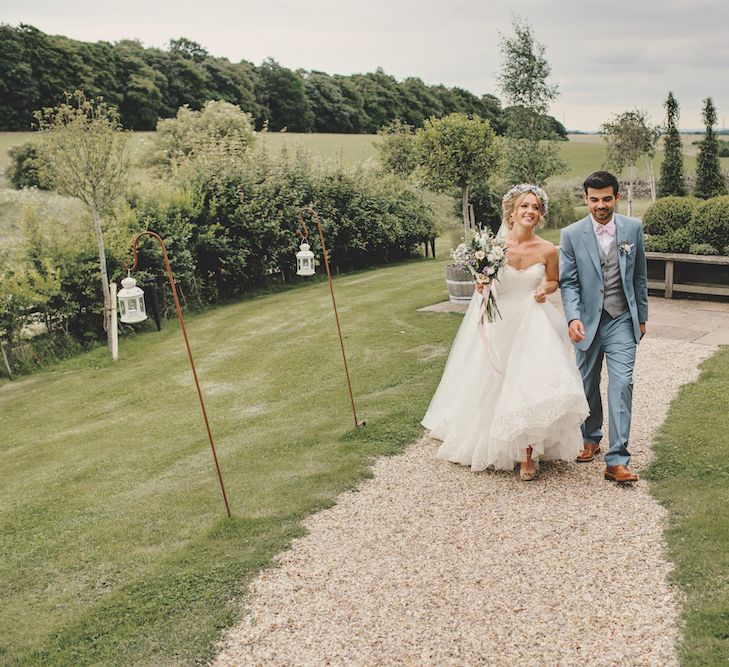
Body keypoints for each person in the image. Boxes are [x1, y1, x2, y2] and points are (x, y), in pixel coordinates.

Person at [422, 184, 589, 481]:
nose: (530, 211)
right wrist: (481, 284)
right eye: (525, 206)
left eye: (536, 207)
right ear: (512, 211)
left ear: (541, 215)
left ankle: (528, 454)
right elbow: (482, 280)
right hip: (499, 322)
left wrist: (543, 290)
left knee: (531, 384)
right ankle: (490, 440)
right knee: (492, 385)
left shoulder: (548, 249)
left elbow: (553, 281)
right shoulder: (491, 247)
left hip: (533, 321)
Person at [559, 171, 648, 484]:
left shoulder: (632, 229)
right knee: (587, 383)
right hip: (587, 321)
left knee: (622, 383)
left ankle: (617, 459)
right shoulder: (570, 234)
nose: (600, 205)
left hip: (622, 318)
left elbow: (639, 276)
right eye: (594, 199)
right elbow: (568, 281)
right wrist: (572, 317)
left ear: (616, 198)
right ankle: (591, 436)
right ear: (585, 199)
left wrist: (642, 316)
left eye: (606, 198)